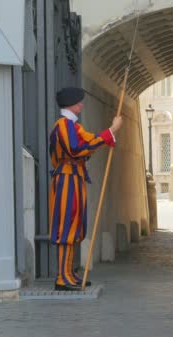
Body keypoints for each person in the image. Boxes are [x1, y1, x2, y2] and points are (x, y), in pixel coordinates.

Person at [48, 87, 123, 291]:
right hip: (66, 179)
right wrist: (111, 132)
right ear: (71, 103)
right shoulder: (63, 125)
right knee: (66, 227)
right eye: (78, 102)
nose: (81, 105)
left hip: (75, 178)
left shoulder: (73, 126)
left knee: (75, 227)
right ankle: (62, 277)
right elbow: (77, 149)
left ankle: (69, 273)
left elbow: (89, 141)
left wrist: (108, 134)